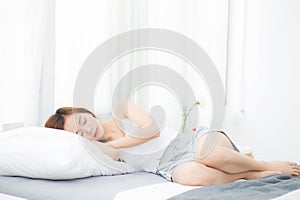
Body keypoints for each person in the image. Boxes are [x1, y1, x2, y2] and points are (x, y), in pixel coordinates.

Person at [45, 102, 300, 186]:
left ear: (84, 111)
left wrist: (113, 145)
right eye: (80, 134)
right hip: (169, 165)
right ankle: (255, 175)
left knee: (206, 154)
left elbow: (152, 130)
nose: (88, 130)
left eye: (82, 121)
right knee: (192, 175)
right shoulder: (103, 154)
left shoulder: (120, 109)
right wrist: (103, 149)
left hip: (191, 141)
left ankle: (264, 163)